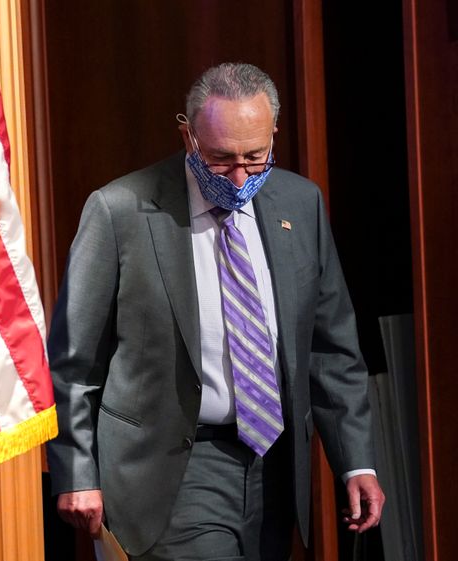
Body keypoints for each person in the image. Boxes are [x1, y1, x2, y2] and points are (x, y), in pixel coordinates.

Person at [46, 62, 385, 561]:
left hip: (273, 468)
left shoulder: (299, 202)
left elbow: (330, 348)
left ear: (274, 131)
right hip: (172, 471)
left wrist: (357, 463)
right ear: (188, 136)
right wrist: (76, 473)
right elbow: (73, 362)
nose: (241, 175)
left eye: (256, 156)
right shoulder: (119, 210)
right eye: (222, 159)